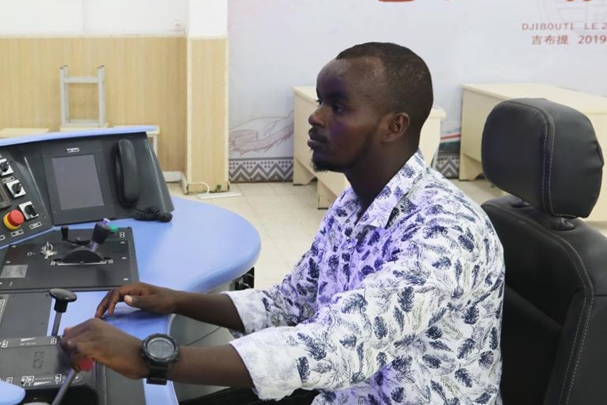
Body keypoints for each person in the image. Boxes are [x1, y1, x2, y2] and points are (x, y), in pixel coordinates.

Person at [60, 42, 505, 405]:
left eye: (338, 106)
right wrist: (175, 300)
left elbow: (333, 347)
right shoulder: (355, 203)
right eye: (320, 101)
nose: (316, 116)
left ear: (395, 126)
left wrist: (150, 357)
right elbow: (288, 305)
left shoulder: (446, 233)